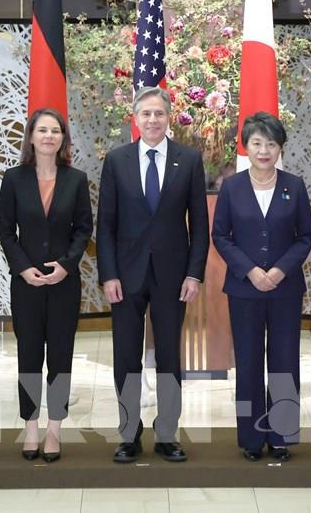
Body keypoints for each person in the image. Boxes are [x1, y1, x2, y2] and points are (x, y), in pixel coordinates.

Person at [96, 86, 209, 463]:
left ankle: (167, 434)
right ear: (135, 117)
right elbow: (105, 225)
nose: (153, 120)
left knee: (169, 357)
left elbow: (200, 226)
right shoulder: (117, 161)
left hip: (173, 277)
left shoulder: (188, 160)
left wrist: (194, 275)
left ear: (169, 117)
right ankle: (129, 434)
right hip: (125, 277)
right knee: (126, 356)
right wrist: (109, 274)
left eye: (159, 113)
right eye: (146, 113)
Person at [212, 112, 311, 462]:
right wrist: (251, 271)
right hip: (244, 289)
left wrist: (281, 270)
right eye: (257, 143)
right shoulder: (232, 187)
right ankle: (252, 438)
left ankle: (282, 436)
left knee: (285, 361)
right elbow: (221, 236)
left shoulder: (294, 186)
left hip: (285, 289)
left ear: (280, 147)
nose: (264, 150)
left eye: (271, 143)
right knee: (249, 362)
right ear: (246, 146)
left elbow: (306, 236)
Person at [0, 108, 92, 463]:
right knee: (29, 355)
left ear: (62, 138)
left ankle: (54, 429)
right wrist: (23, 269)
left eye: (55, 131)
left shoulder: (76, 179)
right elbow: (5, 230)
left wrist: (67, 265)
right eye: (42, 130)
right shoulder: (14, 178)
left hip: (65, 282)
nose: (49, 136)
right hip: (27, 284)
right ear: (31, 137)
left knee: (60, 357)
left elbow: (83, 229)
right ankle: (31, 427)